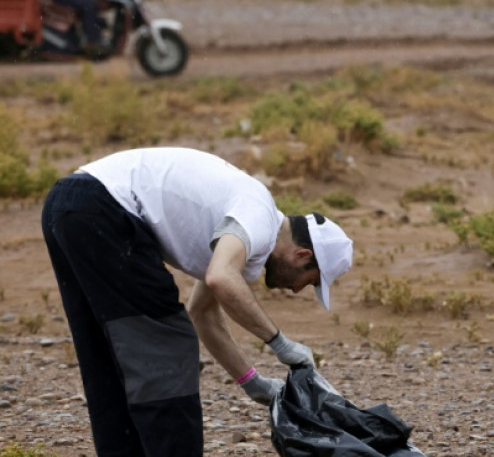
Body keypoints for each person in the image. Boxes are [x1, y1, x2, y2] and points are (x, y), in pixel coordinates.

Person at [41, 147, 354, 456]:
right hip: (104, 206)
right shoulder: (259, 216)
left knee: (107, 353)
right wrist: (280, 344)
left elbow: (202, 313)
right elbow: (220, 277)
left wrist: (252, 382)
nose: (298, 290)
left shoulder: (243, 234)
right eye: (309, 280)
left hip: (69, 204)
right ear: (302, 255)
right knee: (167, 343)